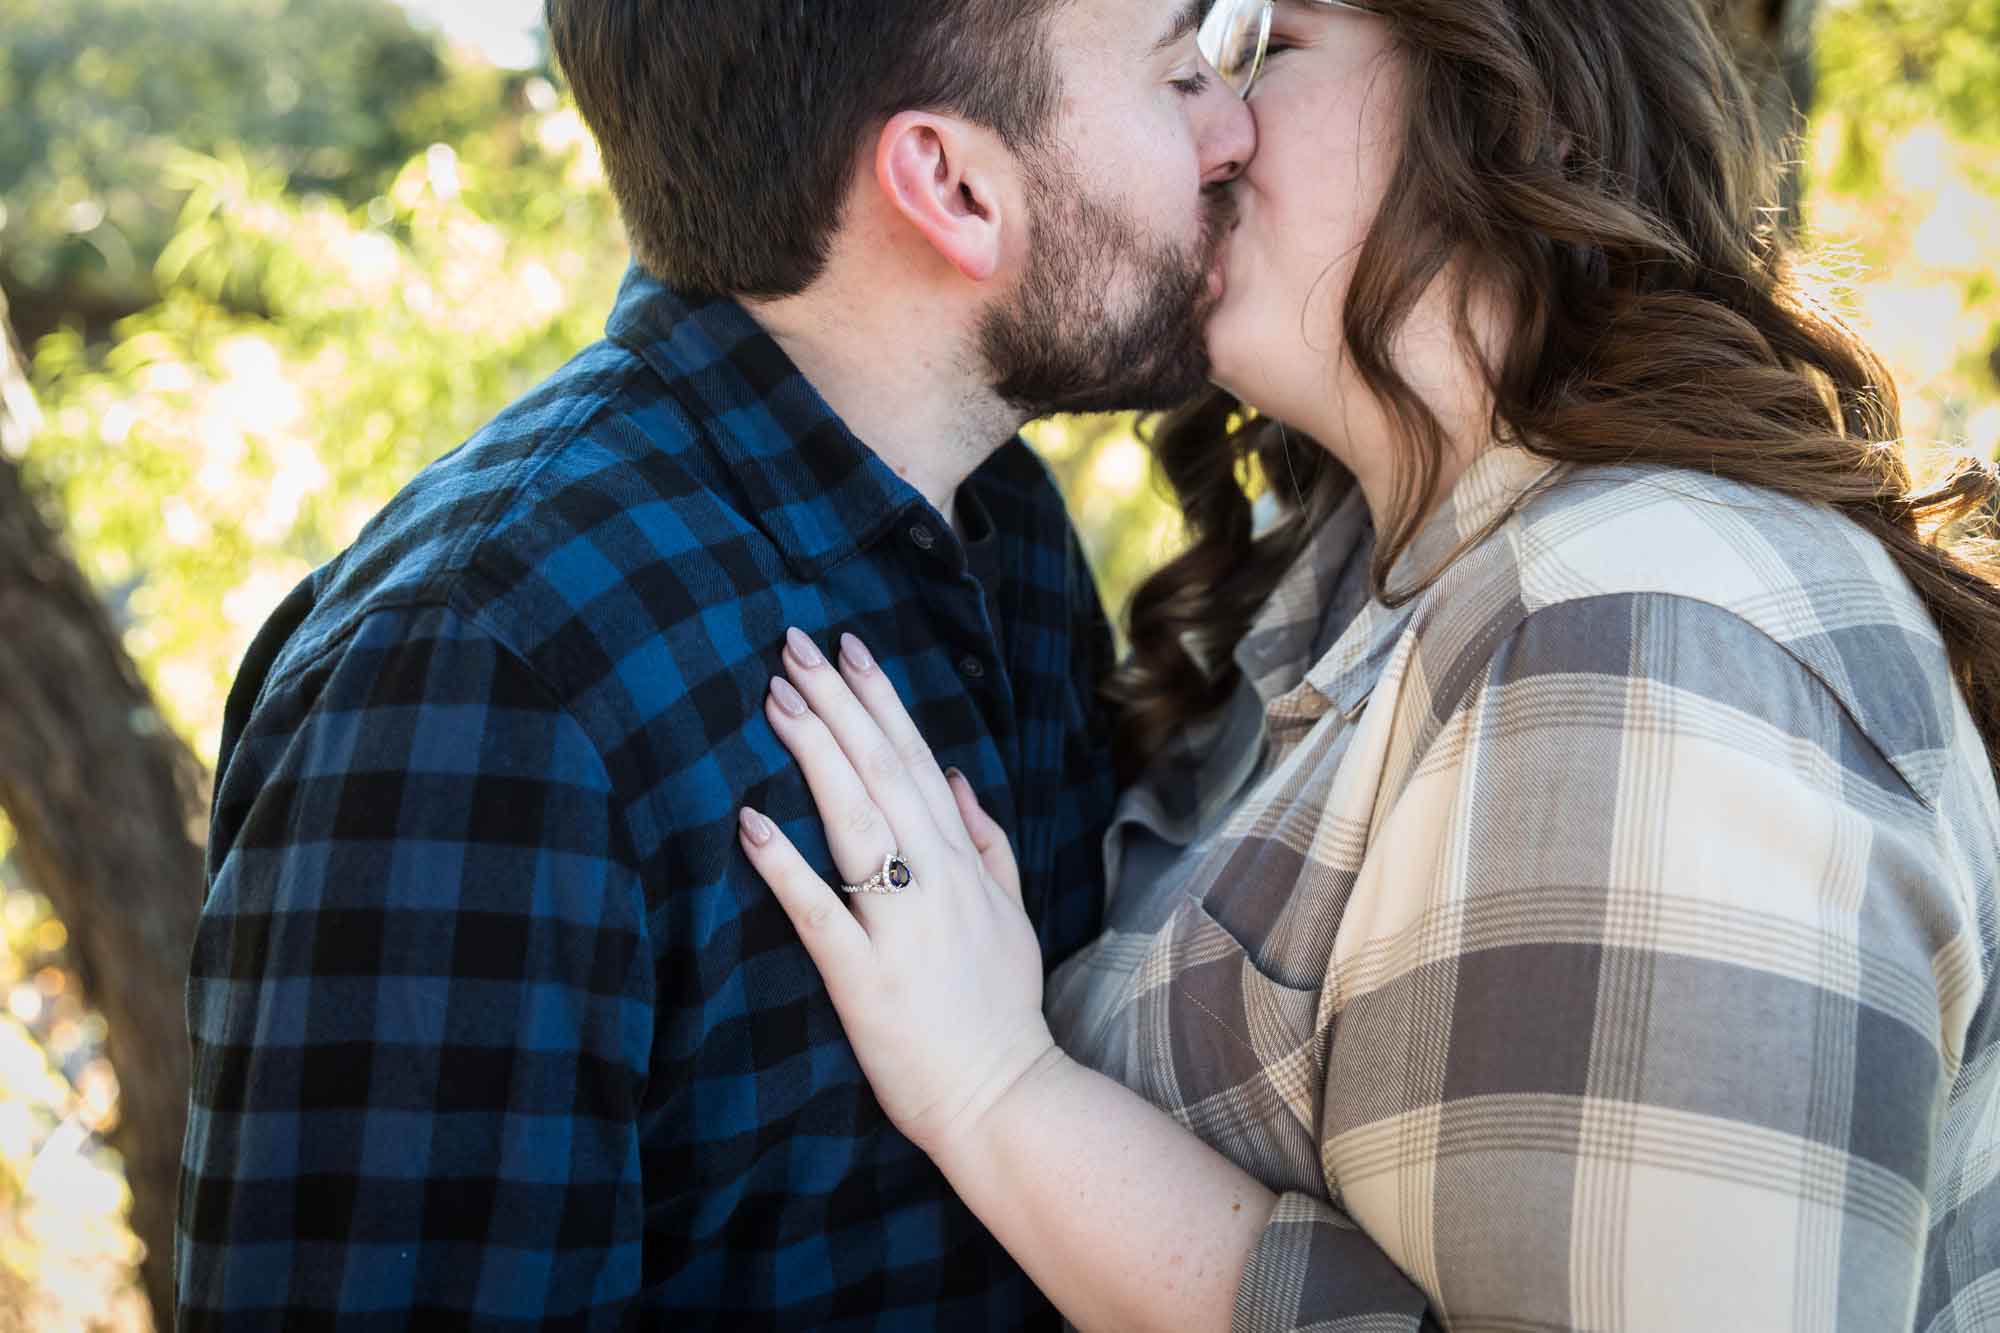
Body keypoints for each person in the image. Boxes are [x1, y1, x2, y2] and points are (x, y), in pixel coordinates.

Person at [736, 0, 2000, 1328]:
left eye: (1262, 52)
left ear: (1517, 94)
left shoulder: (1653, 631)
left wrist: (994, 1087)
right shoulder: (1360, 583)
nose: (1208, 129)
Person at [176, 1, 1254, 1326]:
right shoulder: (482, 677)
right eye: (1177, 73)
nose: (1233, 129)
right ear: (953, 186)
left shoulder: (1004, 534)